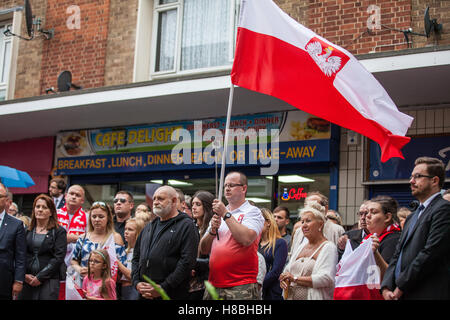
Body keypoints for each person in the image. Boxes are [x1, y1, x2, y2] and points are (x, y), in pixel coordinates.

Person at [381, 157, 450, 300]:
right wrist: (387, 286)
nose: (411, 181)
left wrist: (401, 285)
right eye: (411, 176)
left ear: (435, 181)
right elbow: (398, 253)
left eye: (418, 177)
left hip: (427, 292)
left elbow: (431, 253)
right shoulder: (412, 216)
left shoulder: (443, 209)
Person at [199, 171, 264, 300]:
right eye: (225, 185)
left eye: (232, 185)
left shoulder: (253, 212)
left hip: (241, 285)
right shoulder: (218, 214)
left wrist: (226, 214)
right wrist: (212, 231)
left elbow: (246, 239)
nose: (227, 188)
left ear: (244, 188)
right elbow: (203, 249)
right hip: (214, 284)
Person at [132, 186, 199, 300]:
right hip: (144, 293)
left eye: (160, 199)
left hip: (172, 294)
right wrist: (136, 282)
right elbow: (136, 257)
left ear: (174, 201)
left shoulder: (187, 226)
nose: (156, 202)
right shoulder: (149, 227)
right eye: (154, 199)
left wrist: (164, 287)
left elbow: (187, 262)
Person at [280, 202, 337, 300]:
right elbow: (287, 270)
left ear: (320, 224)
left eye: (308, 221)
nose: (304, 225)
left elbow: (326, 278)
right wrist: (283, 278)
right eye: (302, 222)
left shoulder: (328, 248)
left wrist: (295, 279)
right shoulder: (301, 246)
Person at [18, 194, 67, 300]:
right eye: (37, 206)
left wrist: (40, 277)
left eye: (44, 207)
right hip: (27, 280)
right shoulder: (26, 230)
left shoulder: (59, 232)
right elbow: (20, 254)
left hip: (49, 281)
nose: (40, 210)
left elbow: (58, 258)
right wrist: (24, 275)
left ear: (51, 212)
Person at [71, 202, 126, 283]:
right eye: (94, 216)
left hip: (106, 287)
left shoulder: (115, 238)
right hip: (84, 284)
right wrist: (79, 269)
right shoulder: (83, 237)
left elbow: (122, 265)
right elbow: (74, 260)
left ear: (108, 218)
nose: (97, 220)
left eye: (101, 217)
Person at [57, 184, 88, 299]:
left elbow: (89, 239)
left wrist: (66, 238)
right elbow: (51, 239)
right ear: (65, 196)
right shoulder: (54, 214)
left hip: (77, 267)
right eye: (71, 194)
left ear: (82, 200)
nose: (74, 197)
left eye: (77, 195)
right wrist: (75, 237)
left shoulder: (88, 217)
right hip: (56, 265)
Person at [365, 196, 401, 282]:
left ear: (387, 217)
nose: (367, 216)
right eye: (367, 212)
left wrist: (375, 253)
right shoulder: (367, 238)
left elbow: (389, 275)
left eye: (373, 212)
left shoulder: (393, 240)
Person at [0, 182, 26, 300]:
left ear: (6, 200)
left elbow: (20, 255)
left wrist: (18, 280)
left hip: (4, 279)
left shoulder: (16, 224)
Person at [189, 190, 215, 300]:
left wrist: (191, 264)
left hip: (206, 285)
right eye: (192, 204)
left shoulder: (213, 229)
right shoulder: (191, 227)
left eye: (198, 204)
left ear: (207, 207)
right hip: (189, 283)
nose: (194, 207)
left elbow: (212, 260)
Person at [259, 208, 288, 300]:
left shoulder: (280, 243)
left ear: (268, 222)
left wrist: (259, 284)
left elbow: (276, 271)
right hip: (256, 292)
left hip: (272, 293)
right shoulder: (254, 243)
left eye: (258, 220)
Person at [118, 218, 144, 300]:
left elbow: (132, 275)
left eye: (130, 229)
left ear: (138, 232)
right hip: (122, 288)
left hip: (134, 289)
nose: (126, 232)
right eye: (125, 229)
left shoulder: (141, 252)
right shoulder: (125, 251)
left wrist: (118, 264)